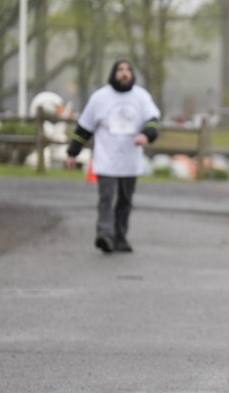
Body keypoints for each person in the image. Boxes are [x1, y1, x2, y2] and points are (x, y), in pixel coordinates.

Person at [65, 59, 160, 254]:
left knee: (125, 201)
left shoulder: (141, 96)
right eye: (120, 70)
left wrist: (146, 135)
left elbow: (152, 120)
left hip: (130, 161)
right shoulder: (100, 97)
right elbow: (84, 128)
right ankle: (105, 235)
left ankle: (120, 237)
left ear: (132, 74)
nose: (124, 73)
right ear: (113, 73)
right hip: (106, 160)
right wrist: (72, 153)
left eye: (128, 70)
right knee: (106, 199)